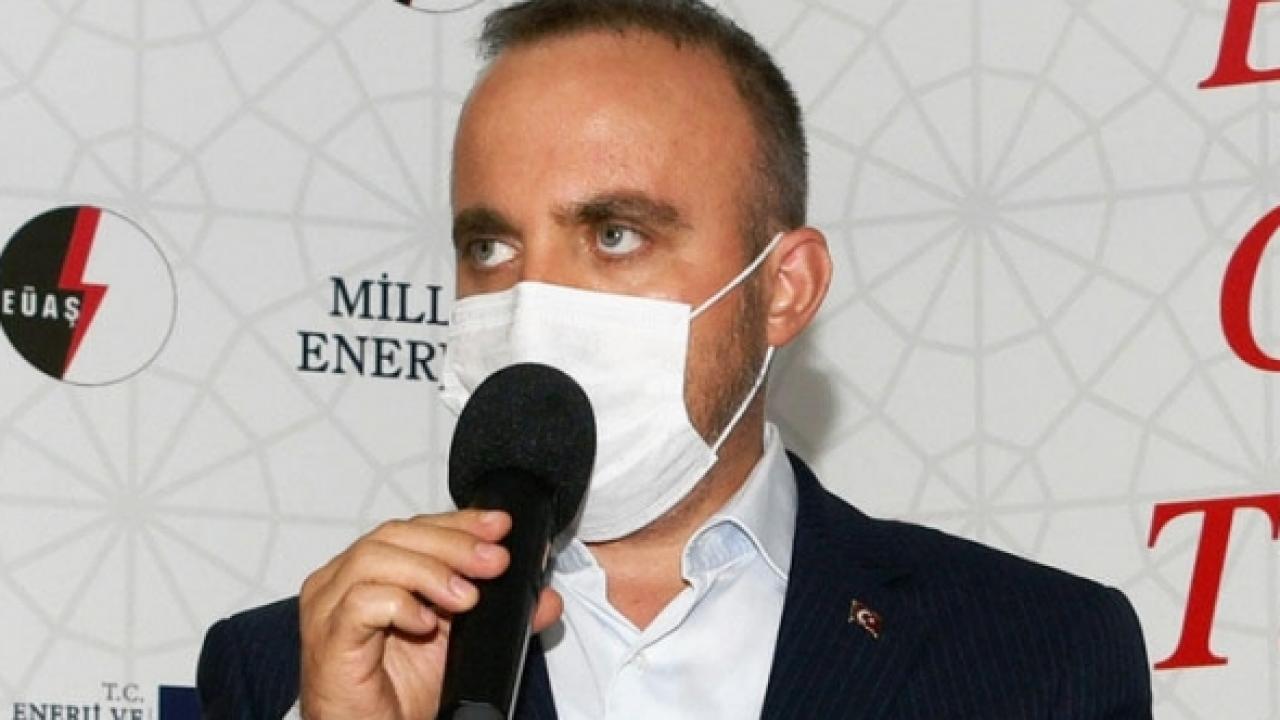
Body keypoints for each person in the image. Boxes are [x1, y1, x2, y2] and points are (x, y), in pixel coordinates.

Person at [197, 0, 1153, 717]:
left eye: (615, 235)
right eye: (490, 246)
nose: (534, 304)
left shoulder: (1038, 654)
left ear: (784, 288)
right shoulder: (296, 670)